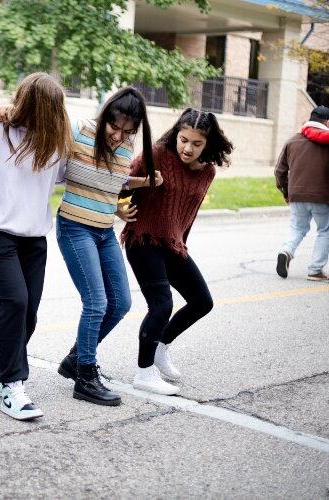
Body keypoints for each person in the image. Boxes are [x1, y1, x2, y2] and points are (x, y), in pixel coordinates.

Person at [0, 73, 72, 420]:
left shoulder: (56, 142)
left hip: (34, 237)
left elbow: (65, 175)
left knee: (28, 312)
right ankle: (12, 386)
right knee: (15, 302)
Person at [55, 87, 159, 406]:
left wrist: (139, 185)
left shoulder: (126, 146)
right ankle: (85, 375)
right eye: (114, 128)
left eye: (128, 132)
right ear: (104, 117)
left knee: (121, 303)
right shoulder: (78, 130)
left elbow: (113, 180)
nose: (118, 136)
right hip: (75, 227)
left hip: (104, 231)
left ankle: (76, 359)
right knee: (96, 303)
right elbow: (55, 168)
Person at [121, 108, 233, 395]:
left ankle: (160, 347)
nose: (188, 148)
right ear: (176, 134)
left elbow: (188, 213)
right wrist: (119, 209)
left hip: (172, 242)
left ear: (208, 144)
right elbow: (119, 182)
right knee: (161, 304)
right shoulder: (157, 153)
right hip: (143, 237)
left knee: (202, 302)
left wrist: (181, 242)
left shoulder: (207, 171)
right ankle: (144, 373)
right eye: (184, 140)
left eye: (197, 144)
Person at [273, 106, 329, 282]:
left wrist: (286, 192)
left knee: (297, 227)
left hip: (296, 194)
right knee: (325, 230)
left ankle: (286, 251)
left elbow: (279, 171)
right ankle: (315, 270)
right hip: (322, 196)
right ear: (327, 122)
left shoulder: (292, 141)